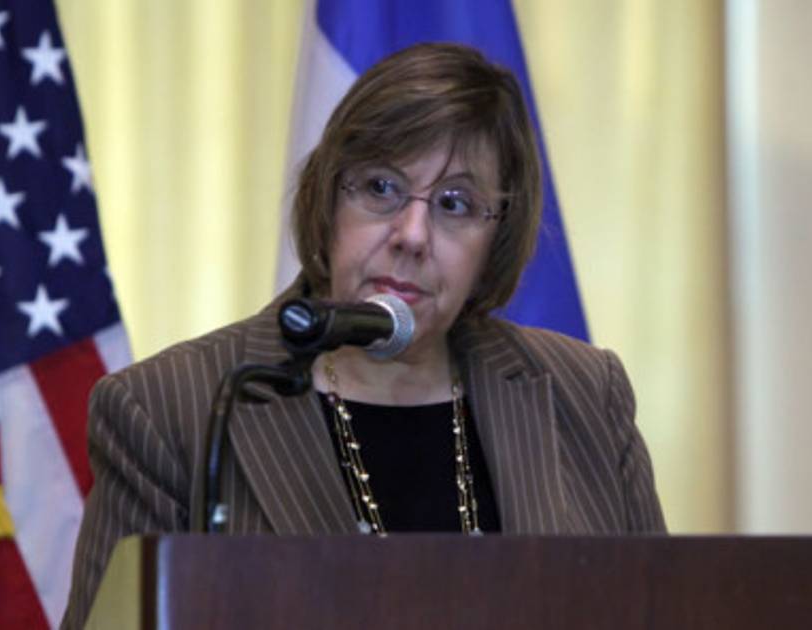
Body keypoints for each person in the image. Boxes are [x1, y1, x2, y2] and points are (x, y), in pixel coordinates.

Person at [61, 42, 664, 629]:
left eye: (455, 204)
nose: (413, 235)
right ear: (328, 200)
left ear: (495, 241)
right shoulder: (173, 409)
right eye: (381, 188)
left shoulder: (585, 395)